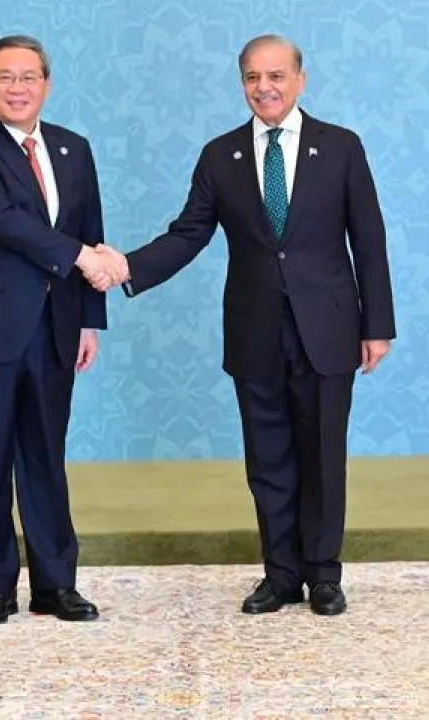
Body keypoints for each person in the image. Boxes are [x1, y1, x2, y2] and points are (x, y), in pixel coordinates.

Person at [94, 35, 395, 616]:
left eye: (277, 76)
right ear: (242, 84)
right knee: (269, 462)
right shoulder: (220, 155)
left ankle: (324, 576)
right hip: (255, 331)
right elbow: (188, 234)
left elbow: (369, 238)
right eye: (254, 78)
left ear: (301, 80)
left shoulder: (341, 148)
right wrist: (126, 266)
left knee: (324, 458)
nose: (266, 87)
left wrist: (376, 324)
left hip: (329, 330)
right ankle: (281, 576)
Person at [0, 34, 123, 625]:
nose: (18, 88)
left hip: (56, 328)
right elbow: (2, 220)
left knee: (46, 455)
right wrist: (82, 258)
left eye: (29, 77)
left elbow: (91, 227)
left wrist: (90, 320)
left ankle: (55, 585)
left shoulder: (74, 149)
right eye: (5, 77)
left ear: (47, 84)